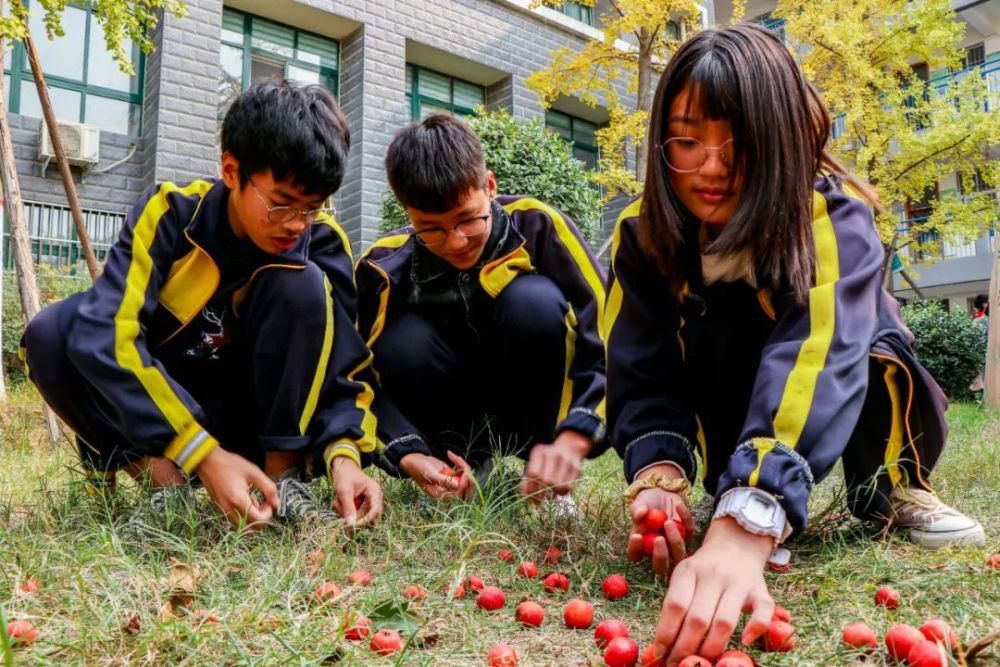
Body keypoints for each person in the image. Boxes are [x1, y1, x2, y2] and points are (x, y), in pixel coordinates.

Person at [604, 25, 985, 665]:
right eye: (687, 140)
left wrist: (752, 512)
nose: (712, 167)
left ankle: (890, 485)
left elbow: (818, 353)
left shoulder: (831, 217)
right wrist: (657, 470)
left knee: (872, 340)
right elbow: (640, 366)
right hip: (731, 407)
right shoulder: (643, 237)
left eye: (741, 144)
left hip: (843, 388)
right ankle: (732, 477)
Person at [22, 80, 382, 531]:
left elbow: (345, 366)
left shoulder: (323, 241)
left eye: (311, 207)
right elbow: (107, 332)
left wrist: (345, 456)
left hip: (259, 420)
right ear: (231, 171)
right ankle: (169, 488)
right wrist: (201, 453)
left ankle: (283, 483)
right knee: (51, 332)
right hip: (174, 422)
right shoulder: (172, 214)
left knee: (303, 283)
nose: (296, 224)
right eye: (282, 204)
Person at [356, 114, 607, 503]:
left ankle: (543, 470)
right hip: (451, 410)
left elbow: (606, 336)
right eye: (431, 228)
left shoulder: (540, 227)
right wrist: (408, 452)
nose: (456, 242)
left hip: (528, 404)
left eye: (467, 219)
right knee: (402, 342)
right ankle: (462, 465)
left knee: (534, 303)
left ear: (489, 186)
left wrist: (576, 432)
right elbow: (357, 379)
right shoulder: (382, 267)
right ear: (407, 212)